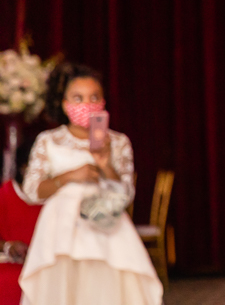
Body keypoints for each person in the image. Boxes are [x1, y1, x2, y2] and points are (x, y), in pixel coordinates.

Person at [19, 62, 162, 305]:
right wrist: (69, 176)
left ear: (103, 102)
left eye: (93, 97)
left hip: (106, 227)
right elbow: (32, 191)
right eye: (78, 98)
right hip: (59, 232)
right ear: (65, 104)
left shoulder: (117, 141)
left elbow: (126, 193)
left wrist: (105, 164)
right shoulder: (48, 141)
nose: (86, 104)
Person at [0, 139, 42, 305]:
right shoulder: (5, 194)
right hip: (11, 271)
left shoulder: (57, 198)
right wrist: (8, 246)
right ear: (24, 168)